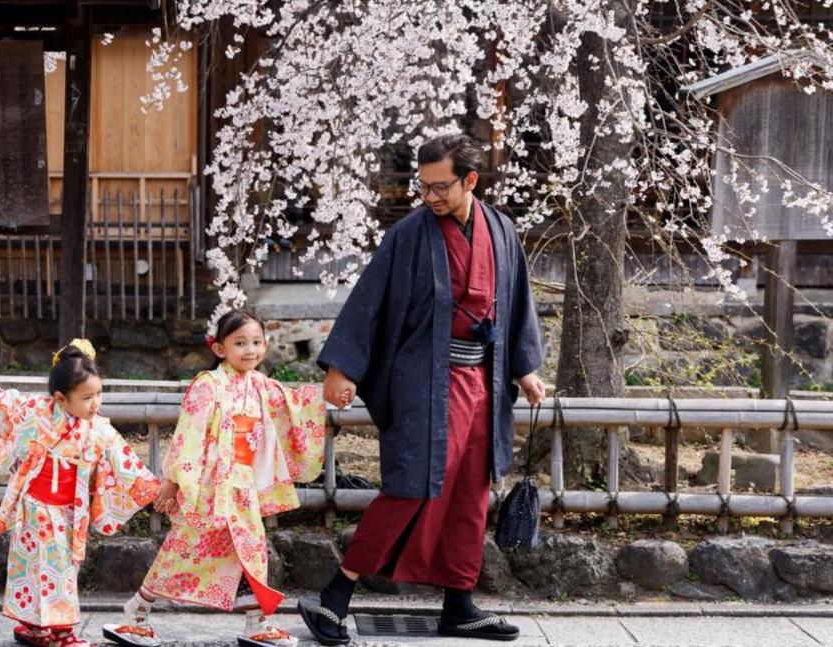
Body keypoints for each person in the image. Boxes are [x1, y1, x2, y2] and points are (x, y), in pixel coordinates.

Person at [297, 134, 547, 644]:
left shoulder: (502, 231)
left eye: (439, 187)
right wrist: (342, 367)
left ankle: (459, 604)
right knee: (411, 486)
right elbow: (371, 300)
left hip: (484, 380)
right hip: (424, 381)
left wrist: (525, 368)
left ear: (470, 180)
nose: (429, 196)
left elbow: (516, 303)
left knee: (471, 492)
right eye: (423, 185)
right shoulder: (409, 235)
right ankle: (333, 598)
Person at [104, 310, 327, 647]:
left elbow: (295, 405)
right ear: (220, 349)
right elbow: (189, 434)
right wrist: (175, 480)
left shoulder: (262, 386)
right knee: (183, 551)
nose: (250, 350)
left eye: (256, 342)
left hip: (243, 485)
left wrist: (328, 394)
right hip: (210, 487)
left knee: (253, 552)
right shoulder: (208, 385)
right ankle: (137, 611)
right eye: (240, 343)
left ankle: (258, 623)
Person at [0, 339, 160, 647]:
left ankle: (40, 628)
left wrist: (156, 490)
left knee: (58, 570)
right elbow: (2, 402)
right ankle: (57, 633)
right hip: (35, 507)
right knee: (38, 569)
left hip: (68, 511)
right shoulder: (36, 413)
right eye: (87, 397)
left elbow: (126, 464)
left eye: (98, 394)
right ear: (60, 398)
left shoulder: (98, 429)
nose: (95, 403)